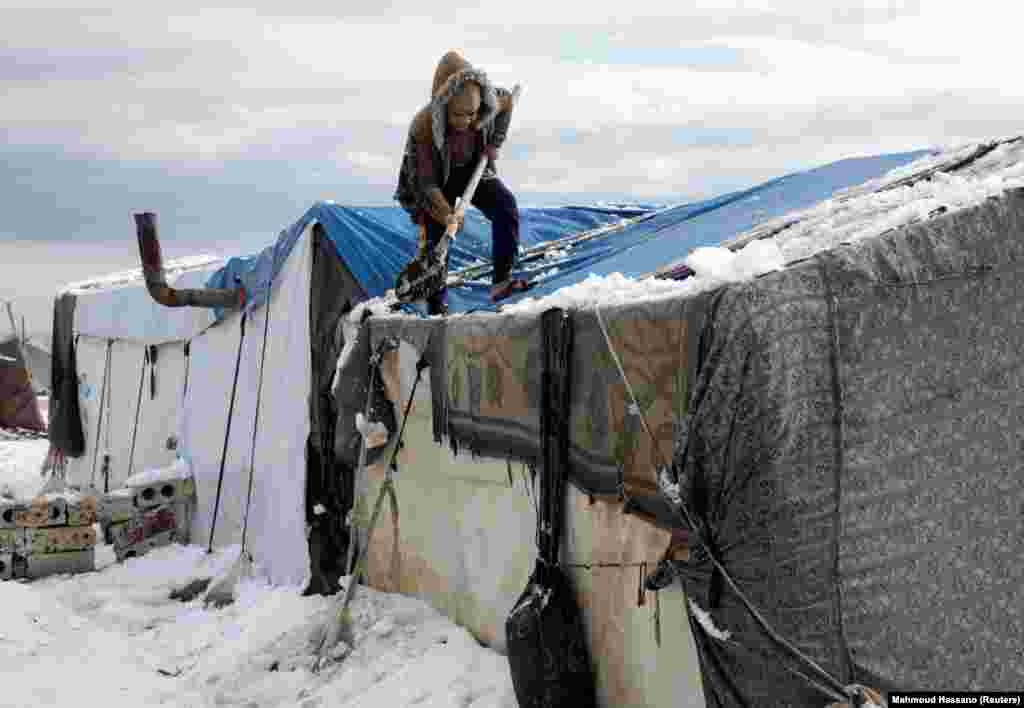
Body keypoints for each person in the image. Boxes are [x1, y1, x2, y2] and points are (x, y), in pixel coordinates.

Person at [394, 50, 529, 314]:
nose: (466, 121)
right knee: (437, 238)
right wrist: (446, 214)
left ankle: (501, 281)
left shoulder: (490, 101)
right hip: (435, 182)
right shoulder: (423, 128)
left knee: (505, 206)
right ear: (442, 105)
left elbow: (508, 104)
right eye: (458, 115)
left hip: (471, 170)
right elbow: (426, 183)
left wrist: (495, 143)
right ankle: (436, 303)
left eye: (472, 114)